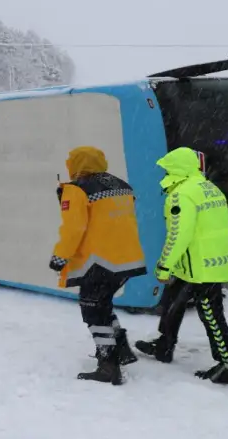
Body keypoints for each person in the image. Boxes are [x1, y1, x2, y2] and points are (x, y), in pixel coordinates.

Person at [135, 147, 228, 385]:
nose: (163, 172)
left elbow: (179, 235)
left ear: (177, 169)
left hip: (199, 266)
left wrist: (164, 266)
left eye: (167, 168)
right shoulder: (208, 187)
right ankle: (164, 345)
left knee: (211, 315)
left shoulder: (181, 194)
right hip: (208, 260)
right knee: (173, 301)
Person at [49, 146, 148, 385]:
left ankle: (108, 366)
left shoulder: (77, 189)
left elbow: (73, 228)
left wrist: (60, 257)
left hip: (99, 262)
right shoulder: (121, 184)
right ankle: (122, 350)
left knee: (93, 310)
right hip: (127, 259)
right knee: (103, 304)